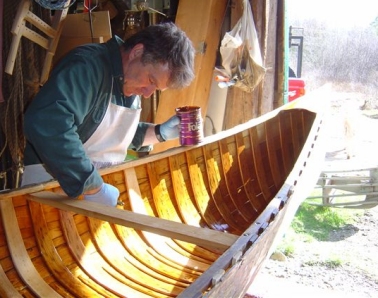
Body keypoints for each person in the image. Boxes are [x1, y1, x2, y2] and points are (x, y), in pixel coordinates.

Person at [22, 22, 195, 207]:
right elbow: (48, 123)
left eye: (156, 89)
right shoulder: (87, 67)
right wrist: (93, 187)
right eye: (151, 80)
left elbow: (113, 135)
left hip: (88, 193)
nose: (147, 93)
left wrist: (159, 133)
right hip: (49, 186)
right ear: (137, 52)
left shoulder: (130, 81)